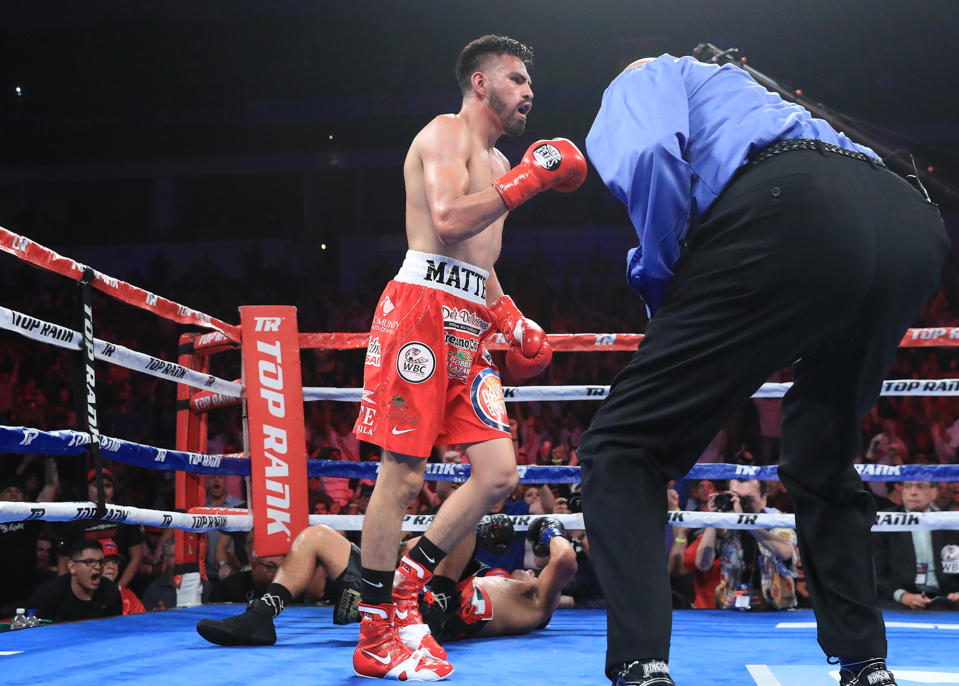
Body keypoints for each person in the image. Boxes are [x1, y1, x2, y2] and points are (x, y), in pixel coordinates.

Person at [579, 54, 949, 686]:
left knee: (623, 445)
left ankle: (642, 665)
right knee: (821, 451)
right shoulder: (756, 96)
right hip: (909, 225)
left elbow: (648, 158)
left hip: (797, 208)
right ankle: (866, 662)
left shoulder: (646, 73)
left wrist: (664, 290)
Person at [349, 34, 586, 681]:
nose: (528, 91)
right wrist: (528, 181)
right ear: (480, 83)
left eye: (528, 82)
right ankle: (377, 632)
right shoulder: (446, 134)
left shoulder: (499, 158)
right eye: (515, 79)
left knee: (498, 474)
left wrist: (513, 320)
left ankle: (405, 587)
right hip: (420, 315)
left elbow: (480, 266)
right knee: (400, 475)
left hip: (469, 324)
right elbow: (449, 220)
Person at [194, 515, 575, 646]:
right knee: (316, 536)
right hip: (413, 591)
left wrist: (549, 529)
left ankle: (425, 603)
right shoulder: (495, 581)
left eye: (536, 572)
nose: (530, 570)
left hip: (432, 615)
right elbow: (416, 548)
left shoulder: (535, 601)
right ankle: (262, 615)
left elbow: (565, 557)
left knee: (465, 523)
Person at [696, 479, 798, 611]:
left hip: (776, 610)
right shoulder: (726, 523)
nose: (740, 503)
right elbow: (702, 564)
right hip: (732, 609)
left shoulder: (777, 520)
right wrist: (711, 522)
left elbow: (786, 552)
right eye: (735, 497)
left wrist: (745, 521)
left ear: (763, 499)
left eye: (747, 499)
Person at [872, 481, 959, 610]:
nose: (913, 492)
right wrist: (902, 595)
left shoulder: (949, 522)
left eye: (920, 486)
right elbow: (876, 572)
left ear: (934, 492)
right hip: (897, 601)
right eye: (908, 486)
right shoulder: (884, 522)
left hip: (945, 600)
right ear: (901, 491)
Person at [57, 469, 144, 591]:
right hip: (82, 588)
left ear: (114, 490)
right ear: (87, 488)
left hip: (119, 585)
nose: (102, 490)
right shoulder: (74, 519)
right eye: (96, 485)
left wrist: (119, 588)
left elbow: (137, 556)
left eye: (107, 486)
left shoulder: (126, 516)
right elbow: (63, 558)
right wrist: (68, 591)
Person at [27, 540, 122, 622]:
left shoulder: (111, 591)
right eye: (89, 562)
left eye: (101, 562)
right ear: (72, 567)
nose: (97, 567)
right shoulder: (49, 595)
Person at [101, 539, 145, 615]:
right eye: (105, 561)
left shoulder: (128, 595)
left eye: (115, 561)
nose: (111, 566)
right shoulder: (84, 594)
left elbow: (143, 622)